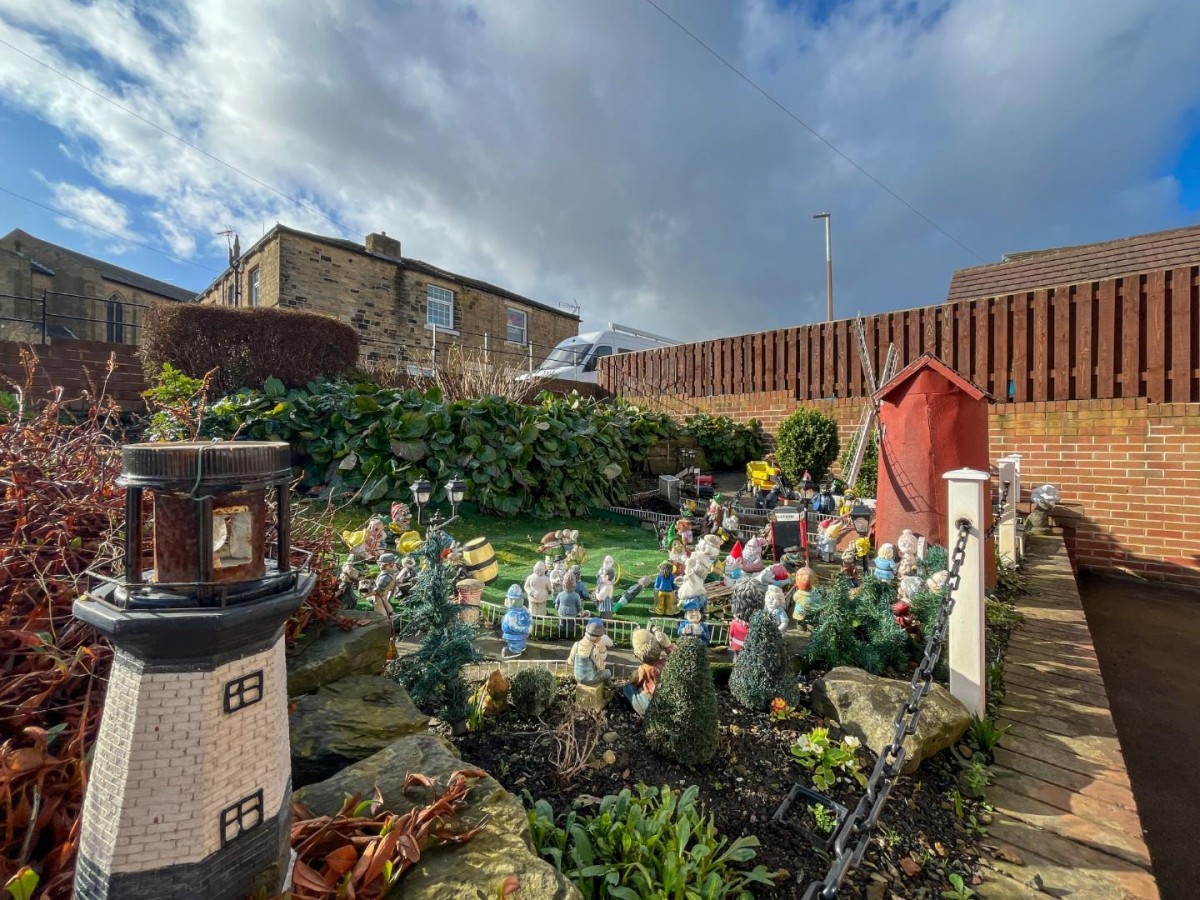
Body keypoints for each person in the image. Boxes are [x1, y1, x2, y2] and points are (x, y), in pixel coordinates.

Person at [567, 619, 612, 685]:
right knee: (607, 672)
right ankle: (612, 687)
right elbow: (601, 667)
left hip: (578, 678)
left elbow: (570, 662)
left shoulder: (576, 644)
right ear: (595, 639)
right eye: (600, 636)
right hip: (589, 680)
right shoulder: (593, 650)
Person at [500, 584, 532, 657]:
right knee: (517, 642)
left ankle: (516, 649)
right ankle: (517, 648)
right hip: (517, 633)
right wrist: (527, 627)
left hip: (517, 633)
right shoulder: (519, 611)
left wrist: (527, 627)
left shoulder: (517, 611)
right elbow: (513, 626)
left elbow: (512, 625)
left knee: (517, 642)